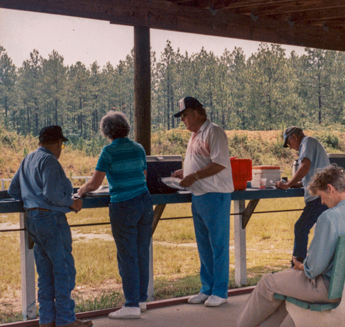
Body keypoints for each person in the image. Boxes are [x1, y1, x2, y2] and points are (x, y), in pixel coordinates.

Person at [237, 165, 345, 327]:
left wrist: (302, 266)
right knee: (282, 291)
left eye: (321, 196)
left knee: (268, 283)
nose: (321, 202)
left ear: (330, 189)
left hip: (329, 288)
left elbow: (314, 269)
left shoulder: (328, 218)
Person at [8, 126, 92, 327]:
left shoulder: (27, 159)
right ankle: (65, 319)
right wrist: (72, 202)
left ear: (40, 142)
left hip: (34, 219)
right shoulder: (50, 161)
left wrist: (32, 200)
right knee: (63, 270)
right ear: (57, 143)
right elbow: (53, 194)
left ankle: (46, 319)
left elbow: (13, 190)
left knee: (45, 271)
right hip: (52, 219)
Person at [77, 111, 153, 319]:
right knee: (141, 253)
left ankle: (130, 305)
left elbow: (94, 184)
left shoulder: (108, 152)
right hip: (145, 202)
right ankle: (141, 300)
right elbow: (143, 175)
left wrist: (81, 191)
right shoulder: (138, 148)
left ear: (106, 131)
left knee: (127, 255)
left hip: (124, 205)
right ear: (126, 128)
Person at [171, 96, 234, 307]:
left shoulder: (214, 131)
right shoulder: (195, 135)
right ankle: (206, 288)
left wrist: (194, 176)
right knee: (204, 247)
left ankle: (220, 291)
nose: (183, 120)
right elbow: (200, 161)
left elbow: (219, 163)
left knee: (218, 245)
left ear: (196, 113)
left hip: (215, 194)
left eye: (185, 115)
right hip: (198, 196)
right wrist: (184, 172)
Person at [274, 127, 330, 265]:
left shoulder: (306, 142)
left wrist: (287, 185)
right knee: (320, 231)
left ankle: (297, 265)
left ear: (294, 136)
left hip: (319, 196)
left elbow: (305, 167)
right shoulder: (311, 143)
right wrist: (296, 184)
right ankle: (311, 264)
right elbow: (311, 175)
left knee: (301, 227)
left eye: (289, 143)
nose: (291, 147)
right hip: (323, 193)